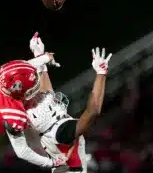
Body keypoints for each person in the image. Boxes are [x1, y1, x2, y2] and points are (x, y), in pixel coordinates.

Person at [25, 32, 112, 173]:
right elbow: (93, 110)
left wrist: (39, 57)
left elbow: (47, 93)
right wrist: (101, 73)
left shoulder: (46, 129)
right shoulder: (62, 132)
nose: (48, 98)